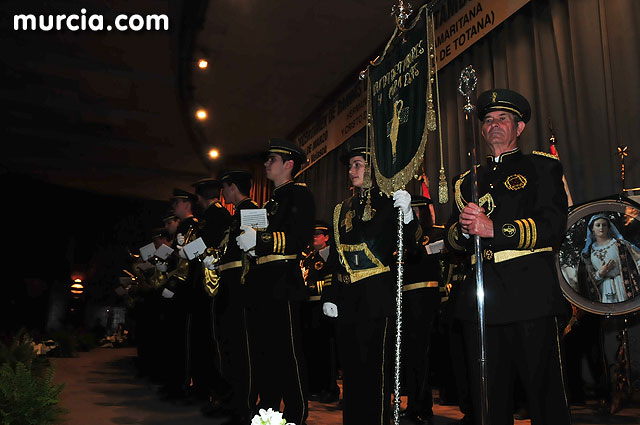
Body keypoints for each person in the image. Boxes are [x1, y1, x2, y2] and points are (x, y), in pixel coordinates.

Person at [445, 88, 571, 425]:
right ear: (483, 130)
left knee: (545, 397)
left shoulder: (541, 167)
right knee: (488, 402)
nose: (495, 124)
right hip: (482, 301)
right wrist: (462, 229)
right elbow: (452, 241)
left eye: (504, 118)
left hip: (530, 293)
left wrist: (494, 230)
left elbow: (553, 225)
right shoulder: (465, 182)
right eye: (488, 120)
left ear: (519, 128)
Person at [321, 135, 418, 425]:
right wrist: (330, 294)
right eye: (350, 165)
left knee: (375, 374)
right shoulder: (341, 210)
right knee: (351, 375)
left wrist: (409, 216)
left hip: (376, 297)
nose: (352, 171)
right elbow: (334, 259)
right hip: (347, 300)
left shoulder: (390, 203)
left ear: (373, 169)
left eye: (358, 164)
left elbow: (413, 252)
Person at [235, 139, 314, 425]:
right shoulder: (270, 202)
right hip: (262, 284)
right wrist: (251, 245)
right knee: (264, 352)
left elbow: (300, 238)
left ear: (289, 164)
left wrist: (262, 240)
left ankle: (296, 415)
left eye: (272, 160)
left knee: (289, 355)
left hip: (283, 282)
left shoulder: (299, 195)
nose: (266, 164)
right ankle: (267, 412)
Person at [215, 170, 259, 424]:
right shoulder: (237, 213)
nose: (224, 193)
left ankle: (244, 405)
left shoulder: (251, 209)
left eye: (226, 188)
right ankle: (232, 401)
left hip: (241, 286)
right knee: (230, 345)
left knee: (242, 349)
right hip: (230, 284)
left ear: (234, 188)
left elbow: (254, 251)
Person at [400, 195, 442, 425]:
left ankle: (422, 405)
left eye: (416, 211)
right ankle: (414, 403)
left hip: (424, 297)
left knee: (421, 353)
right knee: (410, 354)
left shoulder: (434, 232)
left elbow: (424, 252)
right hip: (406, 297)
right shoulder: (403, 236)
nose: (412, 216)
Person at [300, 220, 339, 404]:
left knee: (326, 351)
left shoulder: (329, 255)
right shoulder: (308, 258)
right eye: (312, 234)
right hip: (308, 309)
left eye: (317, 234)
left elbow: (332, 280)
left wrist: (313, 286)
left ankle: (329, 388)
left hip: (323, 308)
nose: (314, 237)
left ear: (326, 237)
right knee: (310, 349)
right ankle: (313, 387)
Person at [578, 214, 640, 303]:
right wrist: (601, 272)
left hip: (624, 285)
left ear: (608, 227)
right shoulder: (588, 253)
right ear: (592, 228)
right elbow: (589, 280)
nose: (601, 228)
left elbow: (637, 259)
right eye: (598, 225)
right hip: (605, 289)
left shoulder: (619, 244)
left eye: (604, 225)